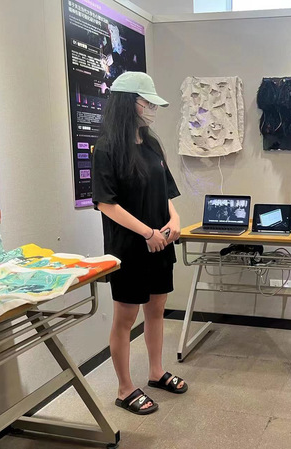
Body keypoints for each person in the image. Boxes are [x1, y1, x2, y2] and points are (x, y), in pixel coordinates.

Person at [92, 72, 187, 416]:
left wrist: (174, 220)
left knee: (157, 309)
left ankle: (156, 372)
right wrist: (147, 233)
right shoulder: (106, 148)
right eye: (147, 103)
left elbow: (166, 192)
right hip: (130, 248)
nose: (152, 110)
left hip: (161, 242)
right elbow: (106, 203)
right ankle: (124, 388)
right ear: (128, 102)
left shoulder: (151, 145)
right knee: (125, 317)